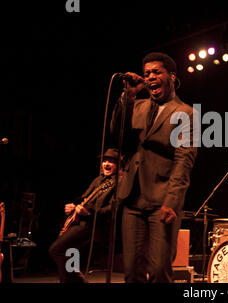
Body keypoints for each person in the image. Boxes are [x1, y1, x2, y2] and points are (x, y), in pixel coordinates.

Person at [110, 52, 197, 283]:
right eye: (147, 73)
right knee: (132, 271)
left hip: (162, 201)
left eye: (157, 72)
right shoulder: (136, 106)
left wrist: (173, 201)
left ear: (171, 76)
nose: (150, 77)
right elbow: (116, 134)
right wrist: (127, 97)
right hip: (132, 198)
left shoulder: (185, 113)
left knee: (159, 271)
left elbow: (184, 160)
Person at [48, 148, 119, 283]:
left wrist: (90, 213)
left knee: (56, 249)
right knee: (68, 252)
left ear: (118, 165)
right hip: (81, 221)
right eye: (105, 161)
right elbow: (83, 198)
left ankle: (78, 280)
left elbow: (113, 208)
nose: (107, 164)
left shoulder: (118, 182)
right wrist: (73, 206)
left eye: (111, 161)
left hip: (95, 224)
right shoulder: (99, 180)